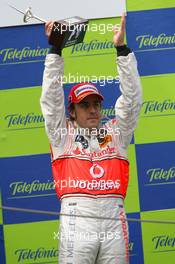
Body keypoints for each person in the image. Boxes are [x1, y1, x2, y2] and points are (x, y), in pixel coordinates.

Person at [40, 14, 142, 264]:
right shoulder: (62, 135)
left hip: (114, 219)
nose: (93, 109)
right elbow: (51, 99)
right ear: (72, 111)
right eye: (85, 105)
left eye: (96, 103)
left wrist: (122, 51)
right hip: (78, 217)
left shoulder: (116, 134)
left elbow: (132, 102)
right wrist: (55, 50)